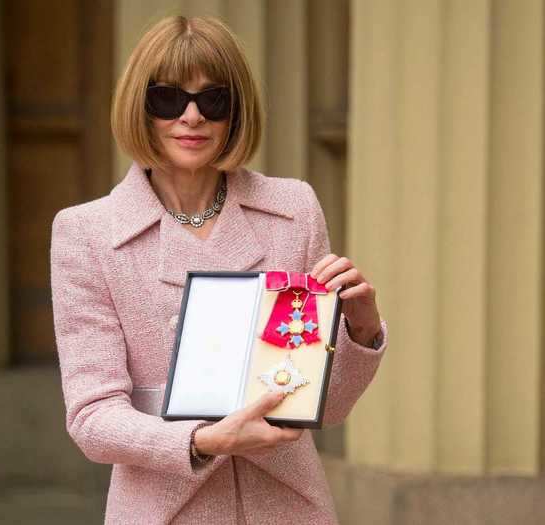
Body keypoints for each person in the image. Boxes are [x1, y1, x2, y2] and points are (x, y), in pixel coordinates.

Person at [50, 15, 387, 525]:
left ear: (237, 111)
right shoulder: (87, 232)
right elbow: (92, 418)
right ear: (139, 108)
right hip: (163, 510)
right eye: (167, 99)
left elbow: (326, 407)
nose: (191, 117)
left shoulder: (293, 209)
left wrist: (361, 328)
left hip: (290, 505)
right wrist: (205, 440)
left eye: (214, 100)